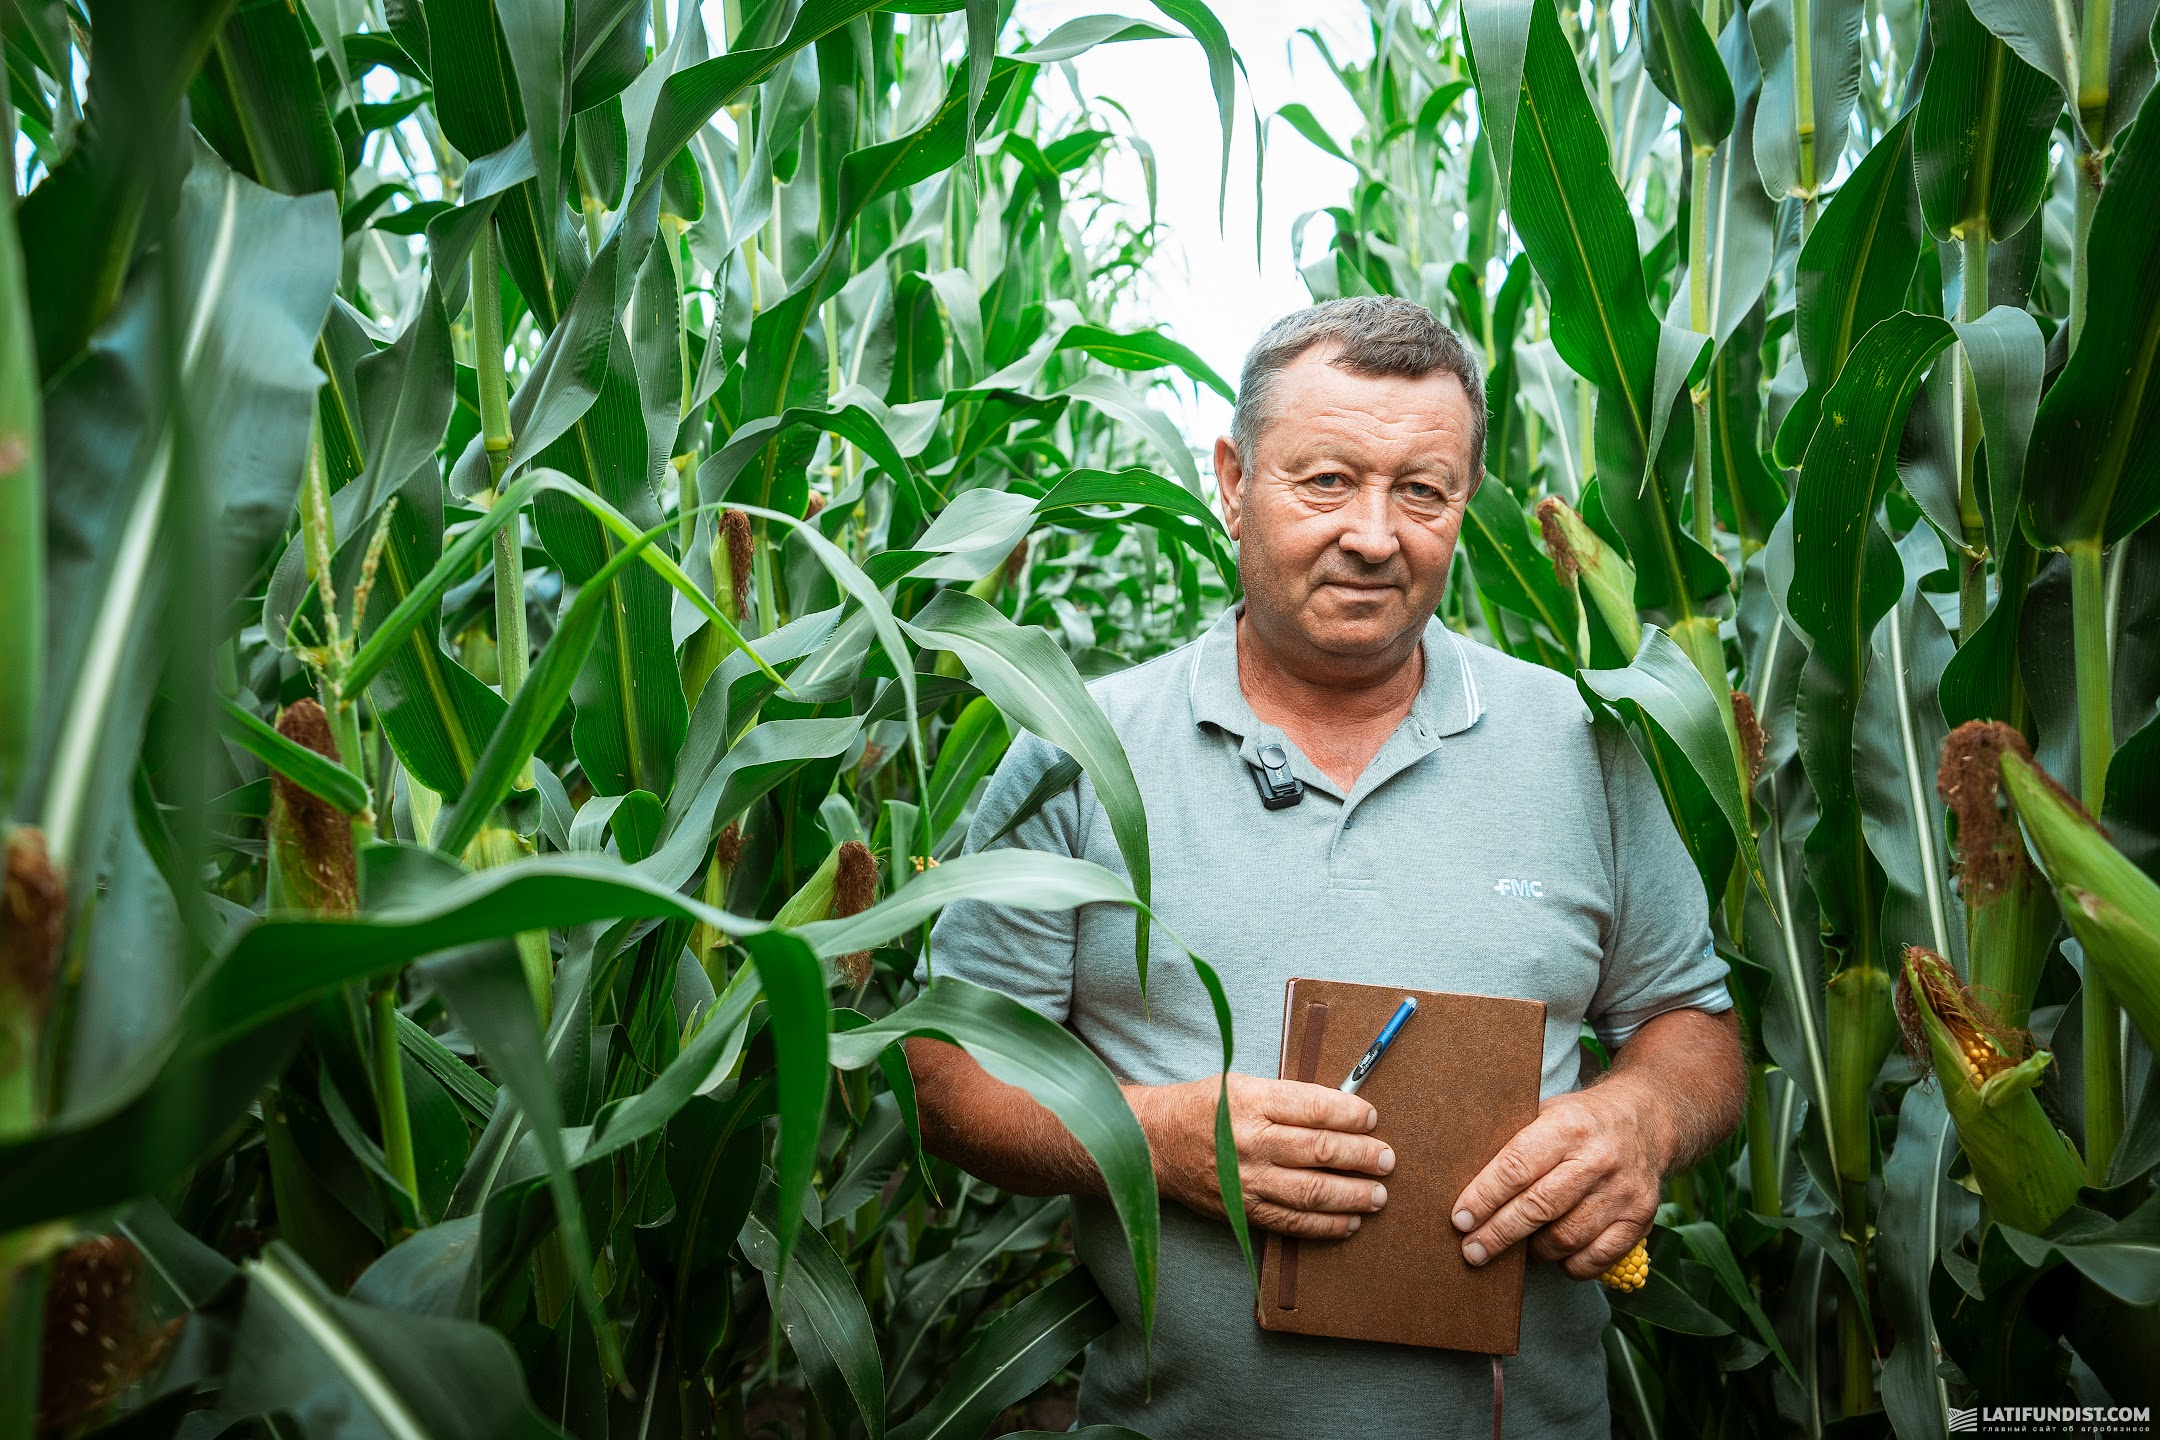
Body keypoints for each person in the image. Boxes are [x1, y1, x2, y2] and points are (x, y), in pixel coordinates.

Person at [905, 296, 1745, 1437]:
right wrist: (1153, 1138)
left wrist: (1642, 1117)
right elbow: (949, 1078)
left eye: (1422, 491)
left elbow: (1690, 1020)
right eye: (1326, 481)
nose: (1375, 534)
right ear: (1232, 480)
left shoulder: (1577, 743)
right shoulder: (1077, 751)